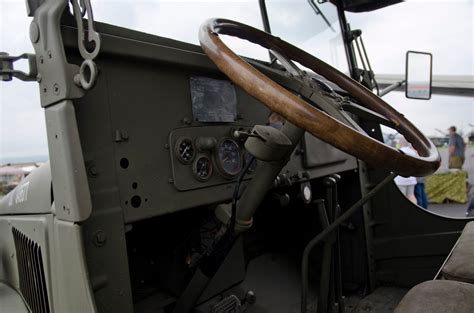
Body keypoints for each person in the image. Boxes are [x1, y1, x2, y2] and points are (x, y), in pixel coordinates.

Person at [394, 138, 418, 204]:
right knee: (411, 195)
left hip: (400, 179)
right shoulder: (412, 152)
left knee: (402, 197)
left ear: (401, 142)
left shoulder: (399, 151)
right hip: (411, 178)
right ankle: (414, 210)